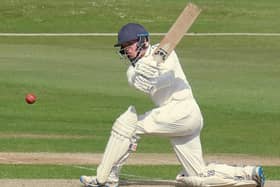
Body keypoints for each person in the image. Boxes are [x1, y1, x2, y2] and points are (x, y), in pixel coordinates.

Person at [80, 23, 265, 187]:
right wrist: (143, 73)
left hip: (182, 110)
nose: (126, 49)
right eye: (123, 46)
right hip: (181, 119)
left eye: (129, 44)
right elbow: (140, 83)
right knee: (196, 176)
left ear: (143, 41)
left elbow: (167, 79)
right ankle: (249, 174)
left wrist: (154, 71)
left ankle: (105, 179)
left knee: (127, 125)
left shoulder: (166, 52)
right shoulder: (131, 71)